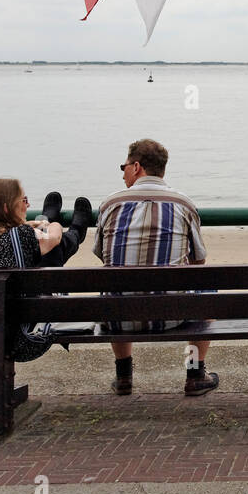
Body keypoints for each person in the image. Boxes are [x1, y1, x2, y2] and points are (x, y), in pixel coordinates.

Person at [93, 138, 217, 397]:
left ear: (136, 167)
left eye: (124, 167)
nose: (123, 172)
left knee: (116, 281)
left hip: (117, 318)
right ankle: (195, 374)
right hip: (171, 316)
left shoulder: (109, 204)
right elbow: (198, 261)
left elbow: (102, 256)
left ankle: (123, 375)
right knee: (206, 284)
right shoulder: (183, 204)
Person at [0, 178, 92, 360]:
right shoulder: (21, 236)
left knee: (38, 255)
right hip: (21, 339)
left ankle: (64, 227)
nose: (28, 204)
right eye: (24, 200)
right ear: (6, 208)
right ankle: (75, 231)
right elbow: (55, 238)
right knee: (53, 251)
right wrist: (52, 224)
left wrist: (26, 225)